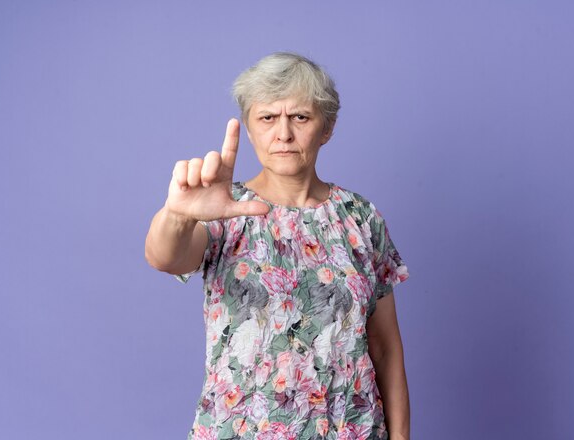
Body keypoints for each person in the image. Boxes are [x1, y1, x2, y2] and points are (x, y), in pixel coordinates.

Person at [145, 52, 410, 440]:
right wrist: (178, 215)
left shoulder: (360, 216)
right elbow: (164, 256)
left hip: (351, 429)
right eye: (267, 118)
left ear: (327, 127)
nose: (283, 134)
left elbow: (386, 347)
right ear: (250, 130)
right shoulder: (225, 208)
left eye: (300, 117)